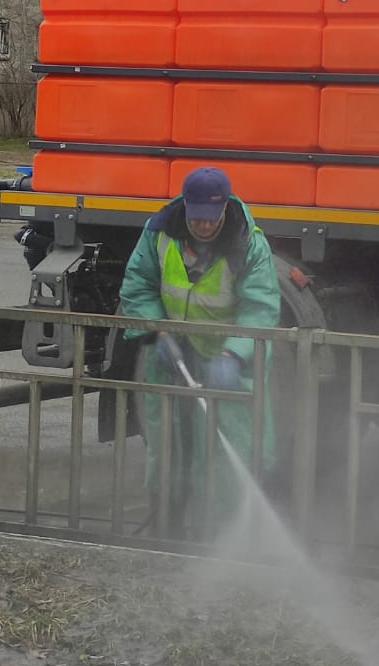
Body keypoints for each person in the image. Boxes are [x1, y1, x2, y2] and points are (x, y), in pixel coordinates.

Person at [118, 166, 281, 537]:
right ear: (185, 207)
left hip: (227, 363)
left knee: (228, 450)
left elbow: (261, 306)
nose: (203, 227)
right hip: (174, 355)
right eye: (196, 218)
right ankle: (167, 528)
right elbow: (138, 286)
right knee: (169, 445)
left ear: (224, 208)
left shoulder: (249, 244)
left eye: (211, 219)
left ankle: (221, 537)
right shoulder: (159, 234)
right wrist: (158, 331)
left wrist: (234, 354)